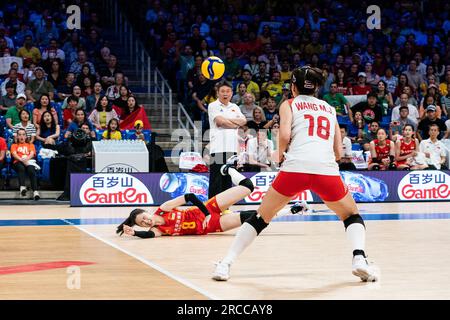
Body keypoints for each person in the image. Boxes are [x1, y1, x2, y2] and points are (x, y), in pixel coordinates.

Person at [212, 66, 379, 282]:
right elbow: (339, 151)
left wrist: (280, 155)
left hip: (295, 168)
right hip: (325, 170)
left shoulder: (289, 104)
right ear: (317, 87)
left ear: (293, 87)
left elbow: (284, 134)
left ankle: (225, 264)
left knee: (261, 217)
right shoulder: (329, 108)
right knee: (351, 215)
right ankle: (359, 259)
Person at [117, 165, 301, 238]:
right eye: (143, 223)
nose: (146, 221)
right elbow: (148, 236)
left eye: (144, 217)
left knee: (248, 187)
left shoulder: (163, 209)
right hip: (212, 226)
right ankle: (291, 211)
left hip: (207, 209)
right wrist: (134, 233)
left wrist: (205, 213)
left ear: (147, 212)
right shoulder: (157, 230)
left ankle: (228, 169)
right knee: (254, 217)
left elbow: (190, 196)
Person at [208, 81, 247, 199]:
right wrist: (235, 123)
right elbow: (220, 122)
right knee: (216, 181)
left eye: (228, 91)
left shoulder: (234, 107)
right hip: (218, 149)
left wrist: (227, 122)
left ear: (231, 93)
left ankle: (225, 209)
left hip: (232, 149)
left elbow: (244, 121)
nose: (225, 94)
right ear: (218, 93)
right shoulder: (213, 105)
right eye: (222, 91)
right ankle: (211, 210)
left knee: (227, 181)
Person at [10, 128, 40, 200]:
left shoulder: (30, 145)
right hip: (17, 162)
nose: (21, 136)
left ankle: (35, 192)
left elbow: (32, 154)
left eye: (23, 134)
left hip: (28, 161)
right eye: (19, 135)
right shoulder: (14, 145)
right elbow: (14, 154)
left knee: (31, 170)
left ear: (26, 136)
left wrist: (26, 160)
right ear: (17, 136)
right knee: (21, 167)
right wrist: (22, 160)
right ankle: (22, 188)